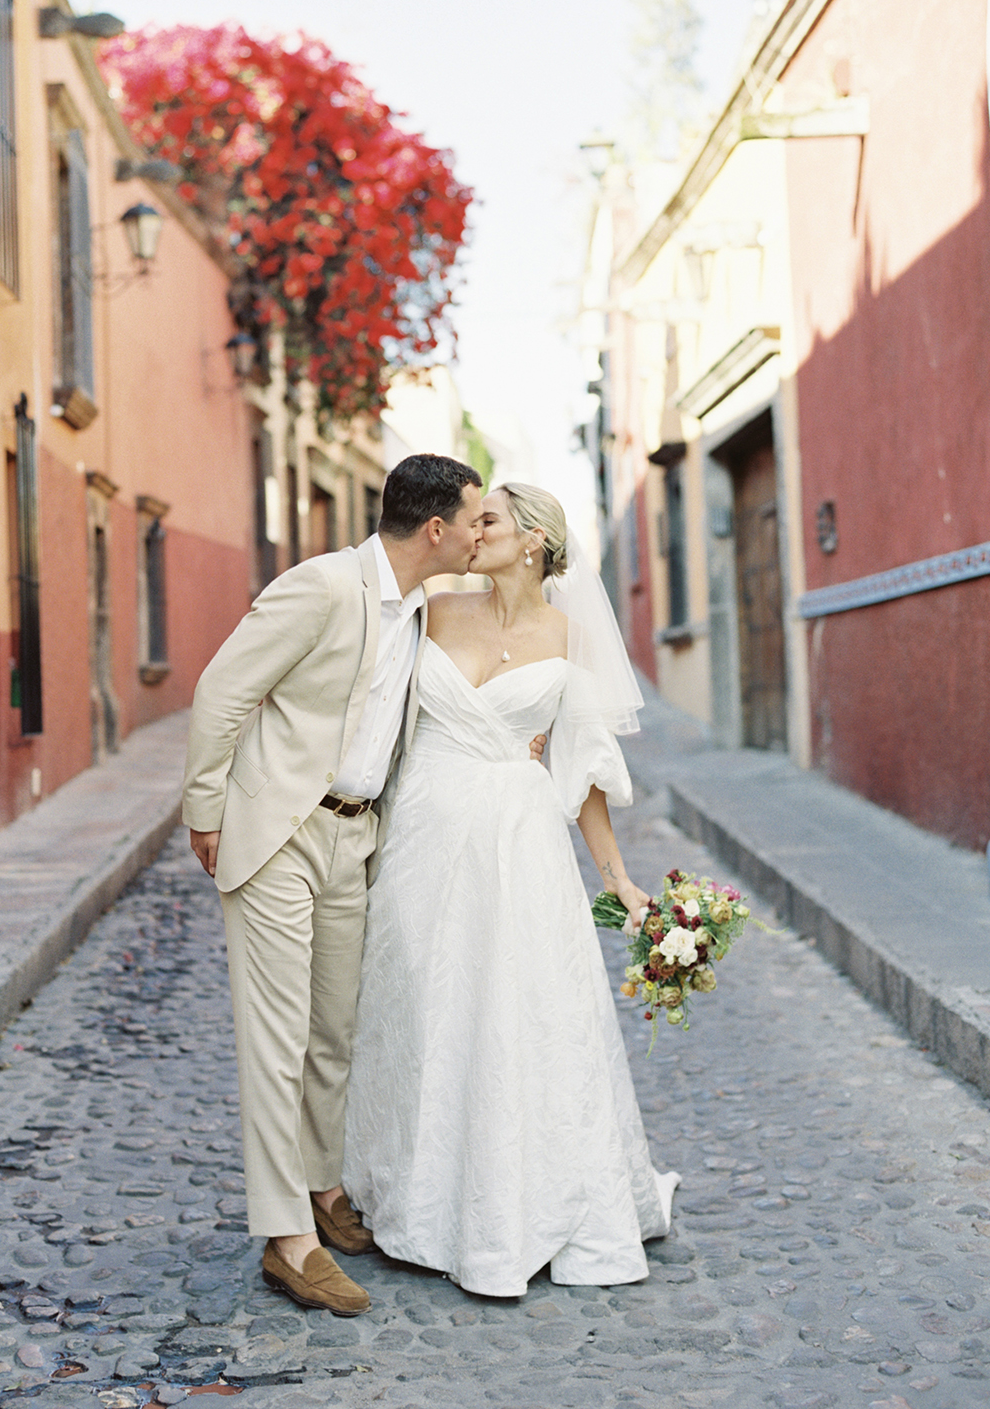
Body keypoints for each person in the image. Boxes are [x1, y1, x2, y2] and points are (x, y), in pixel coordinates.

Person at [344, 482, 680, 1296]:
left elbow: (587, 768)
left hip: (521, 842)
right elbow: (373, 707)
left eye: (486, 519)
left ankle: (528, 1201)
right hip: (423, 833)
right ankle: (417, 1197)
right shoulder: (432, 609)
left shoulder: (569, 637)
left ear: (531, 539)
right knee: (419, 1005)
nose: (470, 530)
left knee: (523, 1013)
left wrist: (618, 878)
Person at [182, 454, 488, 1318]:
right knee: (276, 1042)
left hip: (355, 836)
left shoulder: (426, 609)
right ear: (435, 529)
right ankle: (287, 1242)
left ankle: (322, 1188)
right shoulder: (319, 588)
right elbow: (220, 692)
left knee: (333, 1033)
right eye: (472, 519)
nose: (477, 533)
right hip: (279, 830)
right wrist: (206, 812)